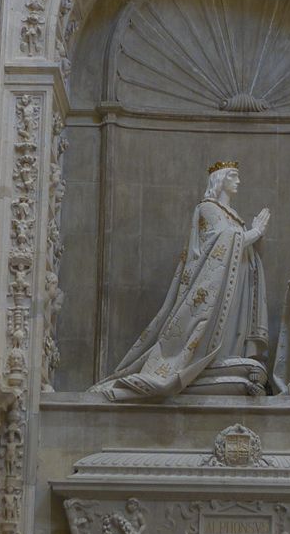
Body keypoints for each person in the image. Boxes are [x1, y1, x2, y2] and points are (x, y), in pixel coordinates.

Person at [92, 161, 271, 401]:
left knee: (232, 327)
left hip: (234, 281)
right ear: (219, 180)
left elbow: (236, 243)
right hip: (213, 285)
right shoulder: (208, 208)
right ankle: (205, 362)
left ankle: (226, 357)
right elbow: (220, 243)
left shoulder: (233, 215)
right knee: (209, 327)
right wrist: (255, 232)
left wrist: (253, 238)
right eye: (233, 177)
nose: (238, 181)